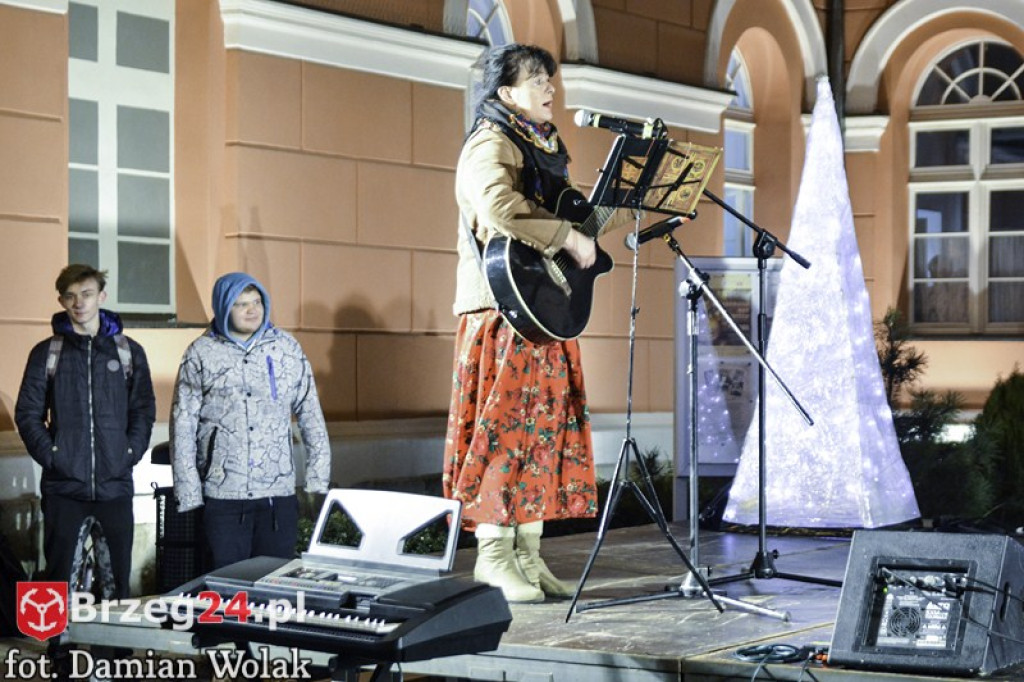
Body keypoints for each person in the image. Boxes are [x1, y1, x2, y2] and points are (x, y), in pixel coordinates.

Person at [444, 43, 629, 603]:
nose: (551, 88)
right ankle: (494, 557)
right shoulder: (490, 141)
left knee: (541, 436)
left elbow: (574, 217)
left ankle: (528, 555)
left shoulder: (543, 147)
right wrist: (568, 237)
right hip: (503, 313)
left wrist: (628, 203)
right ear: (506, 94)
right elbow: (498, 205)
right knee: (503, 432)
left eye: (551, 79)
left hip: (540, 313)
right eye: (538, 81)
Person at [171, 272, 331, 570]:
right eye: (241, 304)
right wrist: (189, 491)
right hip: (223, 493)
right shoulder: (200, 353)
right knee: (225, 588)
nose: (251, 310)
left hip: (277, 493)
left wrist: (318, 476)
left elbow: (310, 411)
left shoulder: (287, 348)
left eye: (256, 302)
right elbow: (183, 424)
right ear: (222, 307)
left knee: (273, 585)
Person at [15, 264, 156, 598]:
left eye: (87, 294)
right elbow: (28, 414)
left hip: (115, 486)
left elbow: (143, 410)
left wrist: (129, 453)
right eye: (71, 296)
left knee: (116, 582)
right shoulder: (47, 353)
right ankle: (61, 650)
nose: (79, 302)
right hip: (64, 488)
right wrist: (53, 456)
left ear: (101, 297)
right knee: (57, 579)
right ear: (62, 300)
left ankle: (114, 650)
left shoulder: (128, 352)